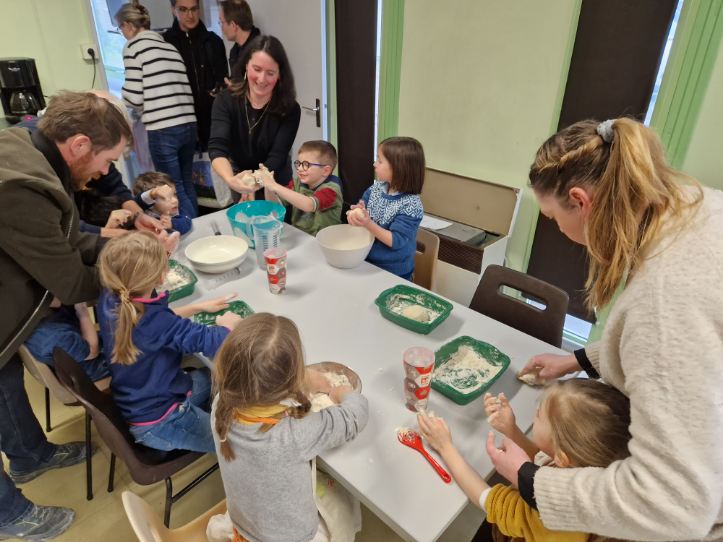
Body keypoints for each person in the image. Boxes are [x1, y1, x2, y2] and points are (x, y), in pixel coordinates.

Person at [487, 118, 723, 541]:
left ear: (580, 201)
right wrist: (579, 359)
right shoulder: (685, 202)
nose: (557, 231)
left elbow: (673, 505)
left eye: (551, 217)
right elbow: (681, 355)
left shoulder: (667, 295)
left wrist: (530, 481)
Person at [0, 90, 132, 540]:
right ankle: (8, 514)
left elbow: (67, 239)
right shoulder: (21, 187)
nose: (106, 172)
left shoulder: (30, 147)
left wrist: (120, 246)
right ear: (78, 145)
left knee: (4, 381)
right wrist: (130, 274)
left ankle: (29, 455)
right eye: (106, 159)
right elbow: (72, 283)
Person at [211, 313, 369, 542]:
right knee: (345, 511)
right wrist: (345, 393)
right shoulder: (294, 435)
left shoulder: (220, 406)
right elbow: (356, 416)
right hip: (293, 538)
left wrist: (297, 379)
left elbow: (253, 374)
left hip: (244, 528)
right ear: (291, 382)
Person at [419, 380, 631, 542]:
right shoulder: (584, 462)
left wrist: (445, 446)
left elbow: (488, 499)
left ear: (562, 458)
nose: (533, 415)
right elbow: (539, 460)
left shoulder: (552, 517)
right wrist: (511, 429)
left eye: (538, 415)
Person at [97, 232, 242, 453]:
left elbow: (156, 324)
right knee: (237, 446)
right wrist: (227, 324)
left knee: (219, 378)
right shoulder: (154, 321)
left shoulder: (112, 297)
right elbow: (212, 342)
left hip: (147, 397)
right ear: (162, 276)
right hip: (163, 420)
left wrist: (197, 307)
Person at [117, 1, 199, 219]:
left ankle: (191, 235)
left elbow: (134, 97)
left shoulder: (133, 47)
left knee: (171, 190)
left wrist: (120, 98)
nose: (123, 33)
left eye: (121, 28)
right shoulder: (169, 47)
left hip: (163, 129)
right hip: (189, 124)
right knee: (185, 184)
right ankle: (199, 229)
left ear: (128, 25)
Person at [209, 35, 301, 201]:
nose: (261, 79)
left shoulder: (290, 109)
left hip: (275, 182)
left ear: (280, 74)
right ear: (246, 66)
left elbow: (277, 156)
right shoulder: (225, 100)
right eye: (257, 69)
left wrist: (256, 181)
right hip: (239, 179)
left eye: (270, 73)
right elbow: (217, 147)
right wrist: (232, 180)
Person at [347, 136, 425, 279]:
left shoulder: (411, 205)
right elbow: (362, 208)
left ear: (398, 168)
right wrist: (355, 214)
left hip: (393, 273)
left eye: (380, 161)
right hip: (365, 261)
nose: (374, 164)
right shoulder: (376, 188)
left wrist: (367, 223)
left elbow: (395, 241)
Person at [164, 0, 228, 152]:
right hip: (180, 124)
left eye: (194, 9)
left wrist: (218, 89)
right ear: (174, 10)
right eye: (183, 10)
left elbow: (223, 80)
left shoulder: (214, 41)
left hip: (212, 123)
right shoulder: (165, 44)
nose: (190, 15)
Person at [261, 140, 343, 236]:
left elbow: (309, 205)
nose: (299, 169)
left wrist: (274, 185)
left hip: (323, 242)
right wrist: (268, 187)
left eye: (306, 165)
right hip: (300, 236)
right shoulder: (297, 183)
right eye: (299, 164)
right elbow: (275, 207)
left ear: (325, 171)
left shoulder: (331, 190)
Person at [24, 302, 110, 382]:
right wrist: (83, 312)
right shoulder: (52, 337)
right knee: (122, 351)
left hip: (78, 346)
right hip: (87, 367)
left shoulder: (33, 311)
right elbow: (92, 351)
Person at [218, 0, 260, 76]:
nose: (221, 28)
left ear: (233, 25)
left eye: (222, 22)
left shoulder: (260, 52)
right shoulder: (234, 52)